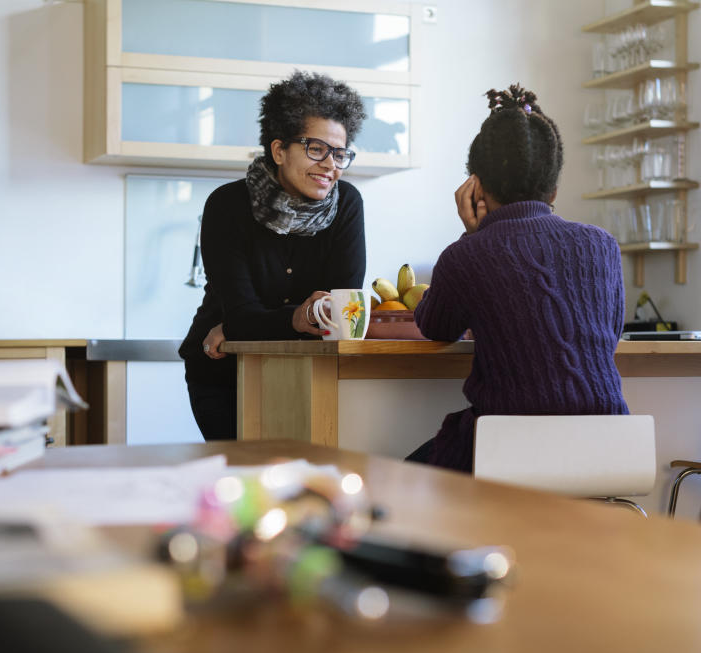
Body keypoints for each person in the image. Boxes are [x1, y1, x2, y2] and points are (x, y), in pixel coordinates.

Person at [408, 84, 629, 473]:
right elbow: (609, 334)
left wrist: (470, 235)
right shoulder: (602, 244)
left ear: (474, 185)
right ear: (555, 186)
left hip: (510, 453)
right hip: (608, 448)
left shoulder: (467, 255)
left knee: (402, 480)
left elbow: (434, 326)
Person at [179, 71, 368, 441]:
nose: (331, 164)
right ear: (279, 150)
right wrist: (290, 318)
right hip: (223, 373)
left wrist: (242, 328)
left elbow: (338, 315)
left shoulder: (347, 204)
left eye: (340, 153)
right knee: (244, 483)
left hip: (307, 373)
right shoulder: (227, 205)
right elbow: (243, 315)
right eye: (317, 149)